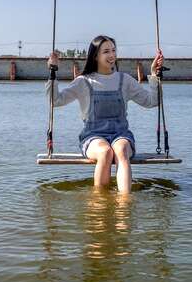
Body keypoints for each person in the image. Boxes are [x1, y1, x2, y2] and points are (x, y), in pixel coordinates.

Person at [46, 35, 164, 193]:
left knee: (121, 151)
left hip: (121, 134)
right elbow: (55, 101)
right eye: (106, 51)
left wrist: (154, 74)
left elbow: (152, 101)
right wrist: (52, 71)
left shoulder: (125, 80)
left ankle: (125, 201)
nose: (112, 55)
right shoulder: (83, 81)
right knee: (106, 152)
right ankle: (99, 202)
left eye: (114, 50)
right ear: (95, 56)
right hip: (93, 137)